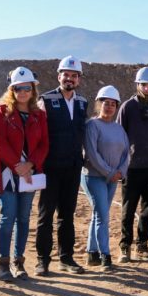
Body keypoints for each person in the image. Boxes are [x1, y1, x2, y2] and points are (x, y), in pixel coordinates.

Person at [0, 66, 49, 281]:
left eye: (27, 88)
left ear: (33, 90)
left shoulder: (39, 114)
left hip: (30, 174)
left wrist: (31, 164)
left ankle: (19, 262)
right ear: (12, 90)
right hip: (8, 172)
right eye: (18, 88)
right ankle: (3, 263)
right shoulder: (3, 111)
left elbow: (44, 144)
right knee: (8, 217)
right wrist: (18, 165)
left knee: (24, 218)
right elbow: (0, 142)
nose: (22, 92)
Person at [35, 56, 88, 276]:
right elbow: (37, 134)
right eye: (66, 74)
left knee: (67, 215)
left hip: (73, 167)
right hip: (51, 167)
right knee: (45, 215)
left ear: (79, 80)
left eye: (74, 76)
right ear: (59, 76)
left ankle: (66, 258)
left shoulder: (83, 102)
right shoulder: (45, 100)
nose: (70, 78)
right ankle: (42, 261)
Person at [116, 66, 148, 263]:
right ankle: (125, 246)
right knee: (128, 210)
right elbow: (121, 135)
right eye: (143, 85)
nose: (147, 88)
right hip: (131, 167)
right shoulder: (128, 107)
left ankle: (142, 245)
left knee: (147, 209)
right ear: (138, 85)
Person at [81, 85, 129, 272]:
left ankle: (91, 253)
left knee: (98, 214)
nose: (108, 107)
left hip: (112, 179)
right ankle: (105, 255)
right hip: (94, 177)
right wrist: (110, 172)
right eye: (105, 103)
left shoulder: (119, 129)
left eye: (112, 104)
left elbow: (126, 153)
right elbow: (92, 154)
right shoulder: (92, 125)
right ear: (98, 104)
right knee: (102, 215)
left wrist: (120, 172)